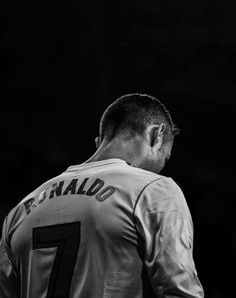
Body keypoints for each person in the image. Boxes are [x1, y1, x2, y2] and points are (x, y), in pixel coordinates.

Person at [0, 93, 204, 297]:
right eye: (164, 159)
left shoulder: (19, 212)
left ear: (100, 142)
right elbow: (180, 292)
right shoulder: (155, 190)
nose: (158, 170)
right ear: (156, 135)